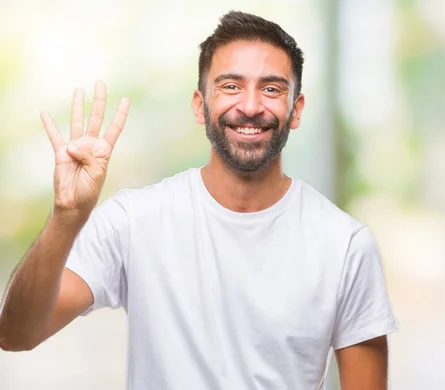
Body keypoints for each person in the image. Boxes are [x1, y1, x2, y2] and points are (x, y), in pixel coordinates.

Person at [0, 11, 399, 390]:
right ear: (199, 105)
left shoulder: (345, 244)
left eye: (272, 88)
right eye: (230, 85)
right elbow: (16, 334)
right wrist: (66, 218)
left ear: (295, 110)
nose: (249, 106)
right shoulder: (134, 221)